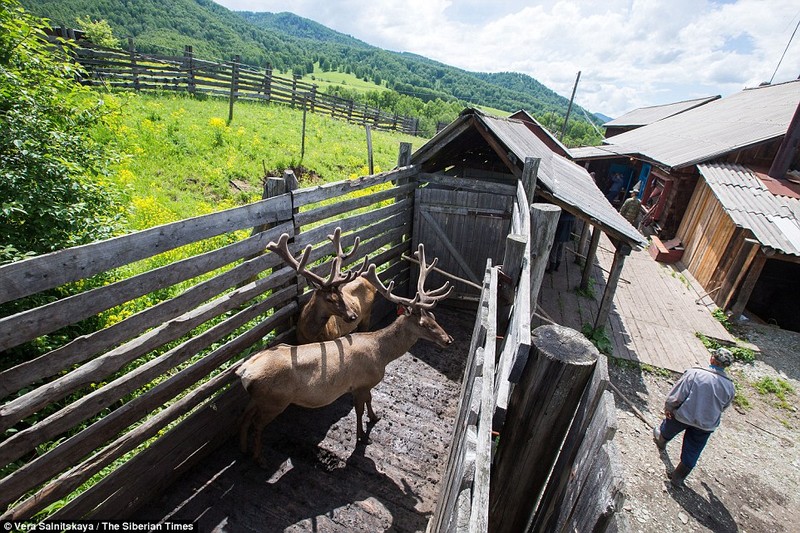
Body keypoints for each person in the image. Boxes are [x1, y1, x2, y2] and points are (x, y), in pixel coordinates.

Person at [652, 348, 736, 488]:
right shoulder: (730, 386)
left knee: (668, 428)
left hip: (684, 415)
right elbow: (724, 407)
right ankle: (678, 478)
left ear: (712, 359)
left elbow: (678, 394)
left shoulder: (695, 373)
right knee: (693, 449)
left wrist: (669, 407)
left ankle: (661, 441)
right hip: (706, 424)